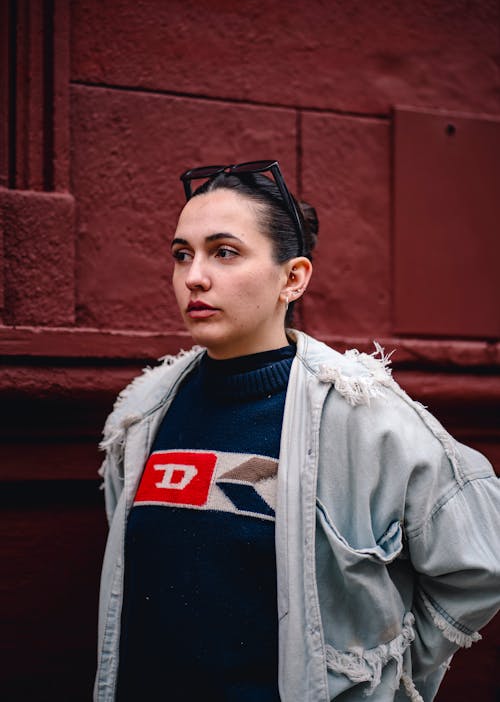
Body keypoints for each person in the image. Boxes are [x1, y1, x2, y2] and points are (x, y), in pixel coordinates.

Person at [94, 160, 500, 702]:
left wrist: (381, 676)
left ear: (293, 277)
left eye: (225, 252)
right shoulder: (143, 414)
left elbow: (481, 564)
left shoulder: (363, 415)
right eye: (182, 254)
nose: (194, 275)